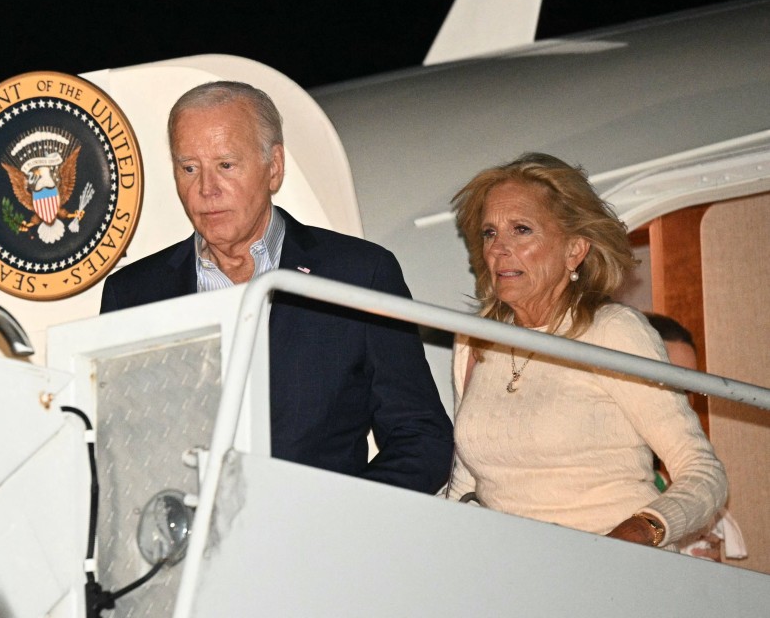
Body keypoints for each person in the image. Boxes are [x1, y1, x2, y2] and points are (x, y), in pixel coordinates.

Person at [99, 80, 454, 494]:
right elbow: (113, 454)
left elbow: (421, 437)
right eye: (189, 168)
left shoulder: (357, 274)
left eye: (226, 165)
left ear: (274, 167)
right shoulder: (134, 295)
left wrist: (345, 514)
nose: (206, 189)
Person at [445, 152, 727, 549]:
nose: (499, 249)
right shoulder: (475, 340)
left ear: (574, 250)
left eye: (521, 230)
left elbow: (703, 473)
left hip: (617, 567)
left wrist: (637, 534)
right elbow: (466, 482)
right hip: (513, 568)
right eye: (490, 233)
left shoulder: (613, 331)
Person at [644, 312, 748, 562]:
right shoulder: (591, 474)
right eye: (671, 385)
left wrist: (703, 567)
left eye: (689, 389)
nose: (684, 401)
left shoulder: (672, 483)